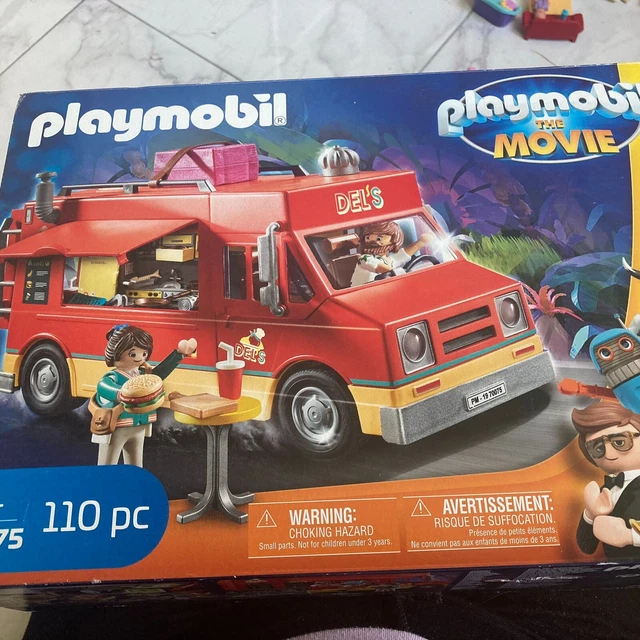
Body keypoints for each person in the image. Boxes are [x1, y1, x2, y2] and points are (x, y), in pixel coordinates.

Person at [92, 324, 197, 467]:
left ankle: (134, 480)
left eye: (144, 353)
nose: (139, 358)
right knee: (107, 464)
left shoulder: (142, 374)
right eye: (132, 354)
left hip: (139, 426)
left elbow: (159, 375)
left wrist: (178, 355)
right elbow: (103, 386)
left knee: (136, 465)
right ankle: (102, 482)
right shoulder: (115, 376)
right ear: (116, 353)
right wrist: (120, 393)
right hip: (118, 426)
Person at [572, 400, 640, 558]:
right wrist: (590, 513)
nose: (608, 453)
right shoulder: (605, 491)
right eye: (598, 448)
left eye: (619, 441)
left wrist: (630, 536)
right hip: (614, 571)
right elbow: (586, 546)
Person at [350, 221, 433, 287]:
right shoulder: (364, 259)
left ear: (394, 240)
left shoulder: (388, 260)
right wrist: (405, 274)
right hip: (361, 295)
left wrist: (421, 242)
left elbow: (401, 256)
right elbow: (380, 267)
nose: (372, 242)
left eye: (379, 239)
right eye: (367, 238)